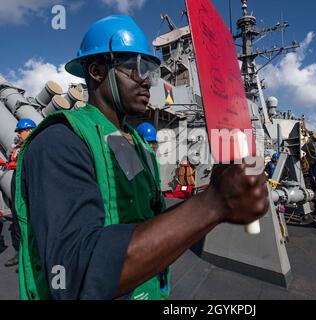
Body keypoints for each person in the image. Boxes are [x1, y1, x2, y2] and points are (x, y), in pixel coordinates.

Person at [15, 15, 268, 300]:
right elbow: (74, 273)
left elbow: (149, 220)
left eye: (151, 71)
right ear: (97, 71)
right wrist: (214, 205)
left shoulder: (135, 143)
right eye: (136, 68)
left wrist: (217, 196)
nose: (148, 82)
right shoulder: (59, 142)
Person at [0, 119, 36, 269]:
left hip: (30, 181)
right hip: (17, 180)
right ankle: (19, 253)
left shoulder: (36, 146)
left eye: (20, 131)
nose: (18, 135)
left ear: (30, 130)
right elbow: (12, 162)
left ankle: (35, 255)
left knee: (31, 218)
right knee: (16, 216)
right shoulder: (18, 147)